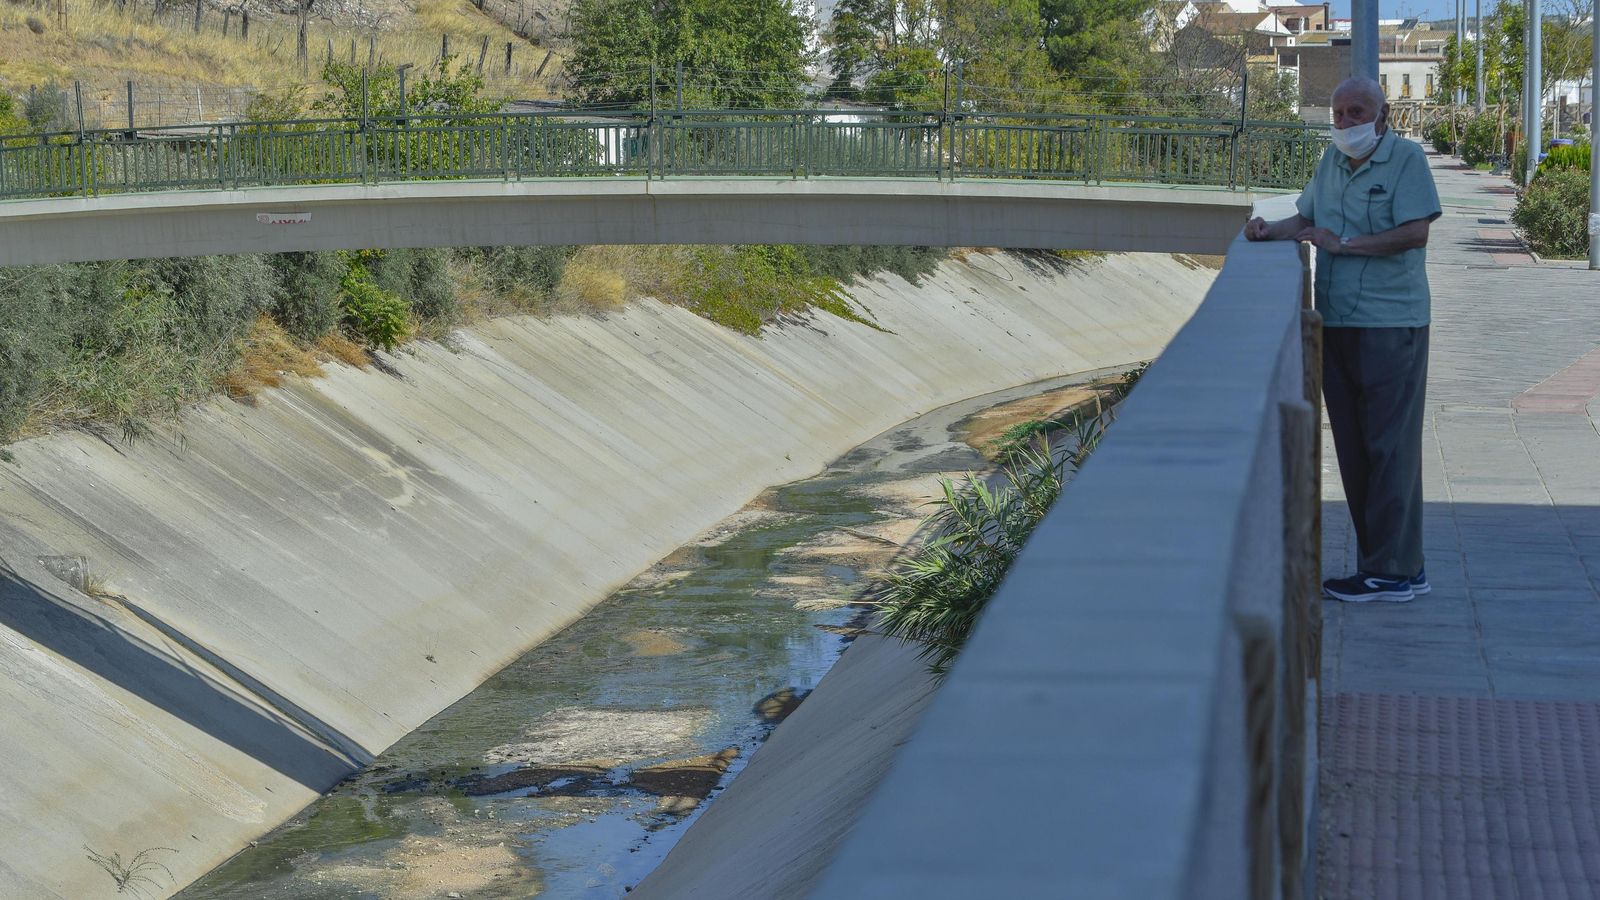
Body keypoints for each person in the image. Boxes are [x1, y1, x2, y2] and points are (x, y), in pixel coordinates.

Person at [1246, 76, 1442, 603]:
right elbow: (1307, 216)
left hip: (1391, 322)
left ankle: (1392, 572)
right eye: (1338, 113)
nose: (1345, 122)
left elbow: (1416, 232)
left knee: (1389, 448)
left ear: (1382, 116)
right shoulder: (1331, 161)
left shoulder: (1406, 160)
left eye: (1357, 112)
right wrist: (1268, 230)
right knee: (1355, 449)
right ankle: (1393, 565)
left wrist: (1345, 245)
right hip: (1337, 321)